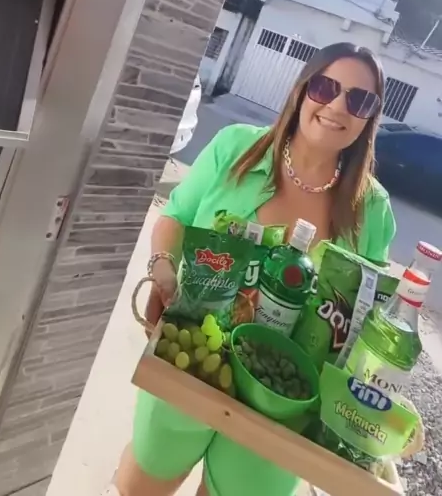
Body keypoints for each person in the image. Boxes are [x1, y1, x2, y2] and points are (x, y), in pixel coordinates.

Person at [112, 41, 396, 496]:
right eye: (326, 88)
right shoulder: (236, 147)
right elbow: (176, 216)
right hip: (193, 360)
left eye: (360, 100)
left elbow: (368, 319)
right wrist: (163, 266)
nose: (338, 107)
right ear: (303, 89)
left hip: (284, 403)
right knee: (139, 487)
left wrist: (378, 404)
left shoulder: (373, 209)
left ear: (370, 117)